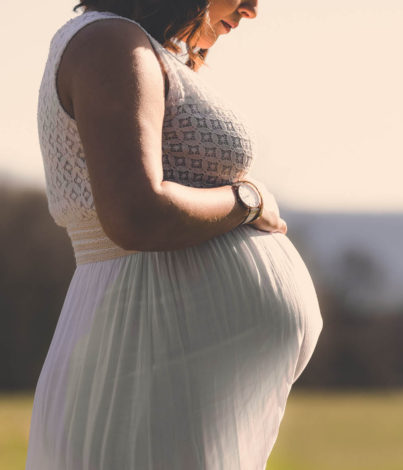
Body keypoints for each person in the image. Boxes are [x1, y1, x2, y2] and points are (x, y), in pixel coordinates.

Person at [26, 1, 323, 468]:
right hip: (139, 348)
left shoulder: (139, 47)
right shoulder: (108, 42)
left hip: (164, 362)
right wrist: (248, 200)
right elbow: (136, 215)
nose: (252, 9)